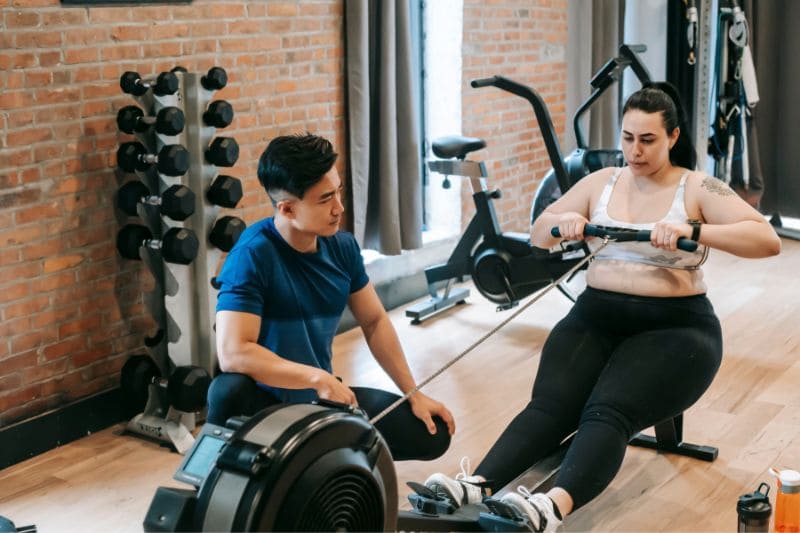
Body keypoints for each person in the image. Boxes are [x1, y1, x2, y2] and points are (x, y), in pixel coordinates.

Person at [422, 82, 781, 531]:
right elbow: (538, 231)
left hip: (675, 330)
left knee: (607, 410)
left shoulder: (697, 186)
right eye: (627, 138)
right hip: (595, 316)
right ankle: (476, 484)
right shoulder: (601, 182)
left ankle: (550, 508)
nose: (635, 150)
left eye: (648, 140)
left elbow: (765, 240)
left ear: (672, 137)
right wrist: (562, 224)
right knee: (549, 406)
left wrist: (693, 229)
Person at [207, 132, 455, 461]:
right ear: (288, 208)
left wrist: (412, 392)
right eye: (325, 199)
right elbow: (233, 352)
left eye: (337, 192)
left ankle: (315, 461)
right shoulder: (251, 256)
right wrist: (315, 376)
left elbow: (374, 320)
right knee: (227, 389)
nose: (339, 208)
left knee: (430, 434)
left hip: (318, 398)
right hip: (264, 403)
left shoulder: (342, 248)